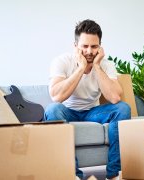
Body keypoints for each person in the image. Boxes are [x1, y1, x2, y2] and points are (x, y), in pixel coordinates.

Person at [44, 19, 131, 180]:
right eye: (84, 46)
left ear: (100, 46)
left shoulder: (106, 64)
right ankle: (74, 175)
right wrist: (81, 68)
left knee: (123, 108)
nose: (89, 51)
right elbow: (56, 96)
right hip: (67, 111)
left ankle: (113, 174)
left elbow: (114, 97)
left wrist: (96, 67)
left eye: (94, 46)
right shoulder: (62, 61)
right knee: (52, 110)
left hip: (92, 112)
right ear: (75, 45)